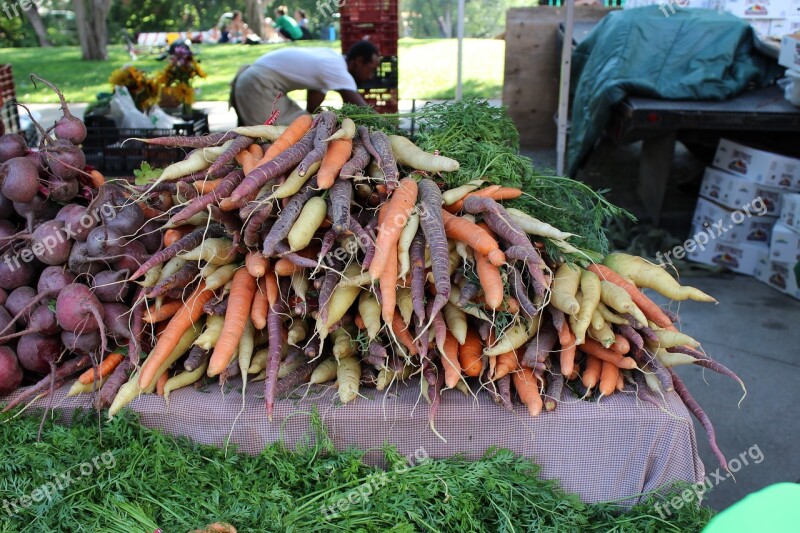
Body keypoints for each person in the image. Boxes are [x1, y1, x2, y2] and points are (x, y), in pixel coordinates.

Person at [229, 41, 381, 126]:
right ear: (359, 61)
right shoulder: (338, 71)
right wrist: (389, 126)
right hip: (259, 85)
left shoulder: (331, 58)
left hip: (253, 80)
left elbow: (312, 107)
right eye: (371, 69)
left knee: (305, 122)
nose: (371, 75)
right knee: (285, 131)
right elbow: (362, 110)